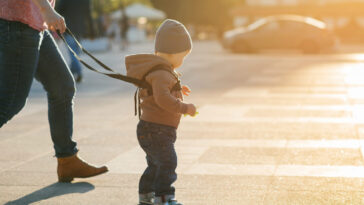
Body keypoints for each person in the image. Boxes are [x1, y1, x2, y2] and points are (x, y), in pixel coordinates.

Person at [0, 0, 108, 182]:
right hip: (18, 23)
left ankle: (67, 160)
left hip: (34, 24)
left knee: (62, 86)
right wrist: (46, 8)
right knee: (10, 102)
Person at [126, 19, 197, 205]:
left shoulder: (162, 71)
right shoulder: (161, 74)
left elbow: (162, 89)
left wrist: (179, 89)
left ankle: (146, 195)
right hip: (157, 130)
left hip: (152, 128)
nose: (182, 61)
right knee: (167, 162)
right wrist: (185, 108)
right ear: (173, 53)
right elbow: (163, 99)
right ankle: (164, 197)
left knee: (155, 164)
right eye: (183, 56)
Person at [56, 0, 95, 83]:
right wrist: (92, 32)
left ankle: (76, 72)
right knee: (75, 52)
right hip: (80, 29)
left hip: (68, 29)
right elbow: (89, 15)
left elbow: (58, 12)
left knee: (73, 52)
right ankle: (72, 72)